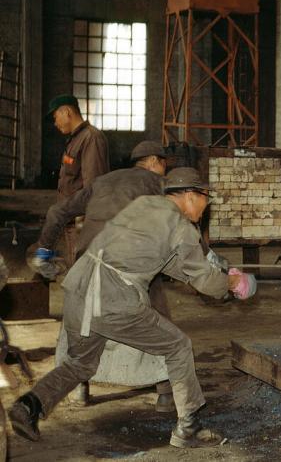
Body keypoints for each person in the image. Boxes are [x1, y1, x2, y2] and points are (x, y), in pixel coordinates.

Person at [9, 167, 257, 449]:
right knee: (178, 346)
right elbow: (205, 282)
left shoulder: (143, 205)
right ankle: (188, 427)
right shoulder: (181, 228)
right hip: (113, 297)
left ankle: (28, 406)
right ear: (189, 195)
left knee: (81, 363)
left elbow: (172, 264)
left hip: (79, 289)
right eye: (205, 198)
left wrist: (219, 277)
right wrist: (233, 283)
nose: (206, 205)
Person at [33, 140, 173, 409]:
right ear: (155, 161)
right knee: (158, 313)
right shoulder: (158, 184)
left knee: (83, 319)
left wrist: (44, 249)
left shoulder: (103, 182)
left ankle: (80, 389)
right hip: (128, 263)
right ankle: (165, 390)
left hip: (88, 261)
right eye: (164, 165)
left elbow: (57, 211)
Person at [46, 94, 110, 267]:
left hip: (82, 224)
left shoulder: (91, 138)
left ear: (66, 112)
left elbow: (94, 186)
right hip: (71, 220)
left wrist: (86, 227)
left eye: (55, 117)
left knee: (84, 272)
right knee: (76, 271)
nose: (55, 123)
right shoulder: (76, 139)